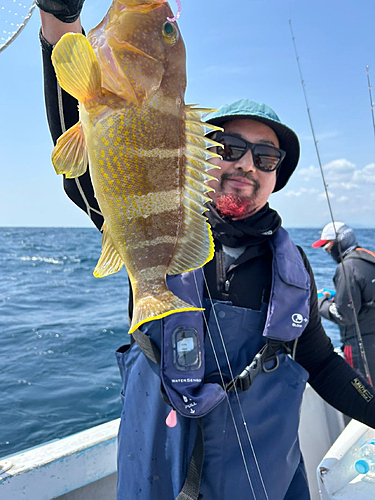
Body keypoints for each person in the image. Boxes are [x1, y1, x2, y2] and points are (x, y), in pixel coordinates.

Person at [36, 2, 375, 499]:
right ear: (197, 150)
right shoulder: (160, 225)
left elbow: (321, 364)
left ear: (276, 176)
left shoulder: (293, 269)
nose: (246, 165)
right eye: (230, 147)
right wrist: (60, 19)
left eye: (266, 156)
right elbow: (87, 133)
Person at [312, 221, 375, 383]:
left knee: (364, 396)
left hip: (361, 348)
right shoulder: (370, 259)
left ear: (341, 241)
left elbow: (343, 315)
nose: (328, 251)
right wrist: (337, 297)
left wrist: (320, 301)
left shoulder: (347, 268)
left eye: (328, 246)